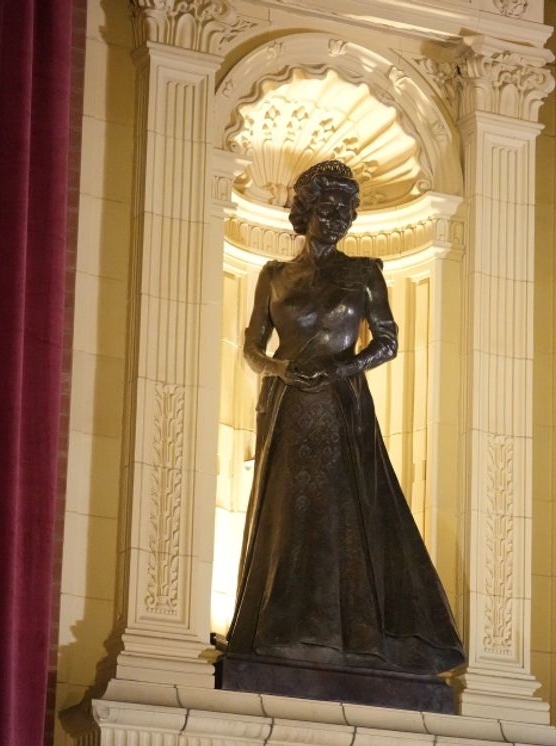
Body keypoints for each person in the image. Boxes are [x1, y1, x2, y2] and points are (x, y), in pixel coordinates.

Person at [224, 159, 465, 675]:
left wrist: (340, 369)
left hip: (340, 407)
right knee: (290, 514)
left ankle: (347, 635)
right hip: (289, 408)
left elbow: (388, 341)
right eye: (328, 209)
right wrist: (281, 371)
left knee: (340, 514)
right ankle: (282, 628)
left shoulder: (364, 273)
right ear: (306, 211)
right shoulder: (274, 276)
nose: (337, 219)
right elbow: (250, 346)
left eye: (345, 211)